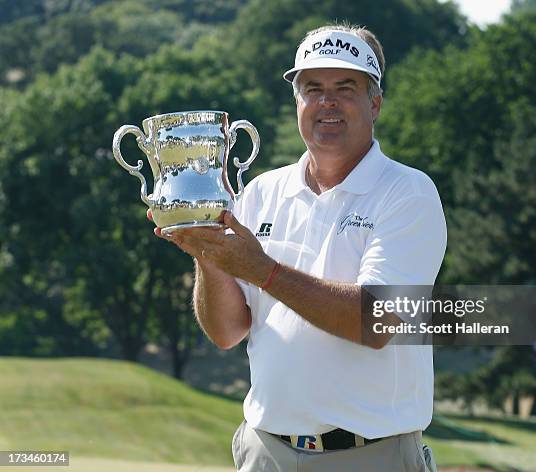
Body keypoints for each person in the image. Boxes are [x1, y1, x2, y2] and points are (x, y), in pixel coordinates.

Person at [149, 24, 446, 472]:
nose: (327, 102)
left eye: (345, 88)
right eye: (313, 89)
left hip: (373, 455)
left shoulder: (408, 193)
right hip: (265, 451)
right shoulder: (261, 192)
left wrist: (263, 270)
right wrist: (206, 252)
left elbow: (375, 322)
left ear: (375, 103)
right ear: (297, 104)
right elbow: (227, 331)